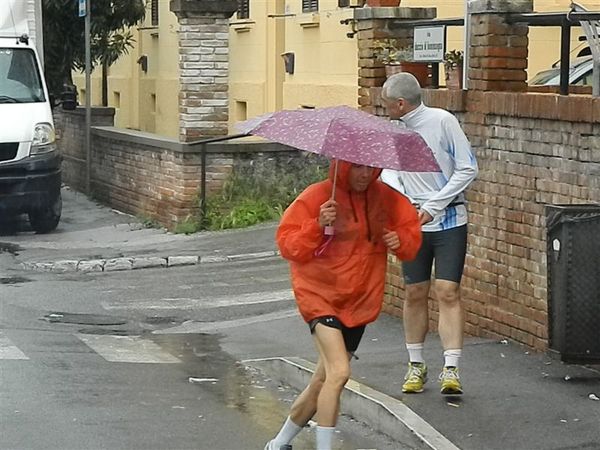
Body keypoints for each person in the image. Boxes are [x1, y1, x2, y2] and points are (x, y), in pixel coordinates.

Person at [265, 159, 422, 450]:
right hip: (319, 295)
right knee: (339, 373)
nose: (364, 174)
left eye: (370, 168)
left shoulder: (385, 198)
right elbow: (288, 245)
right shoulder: (317, 196)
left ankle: (278, 444)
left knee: (322, 381)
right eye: (357, 167)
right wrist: (317, 224)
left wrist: (398, 240)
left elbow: (411, 238)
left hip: (359, 301)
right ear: (342, 167)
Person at [380, 72, 478, 396]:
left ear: (400, 103)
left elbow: (467, 168)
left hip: (449, 219)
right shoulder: (395, 130)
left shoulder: (443, 122)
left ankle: (451, 368)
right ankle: (416, 364)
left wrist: (434, 205)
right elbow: (389, 172)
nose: (384, 110)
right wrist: (406, 204)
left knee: (448, 291)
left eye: (387, 104)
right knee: (415, 292)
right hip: (412, 223)